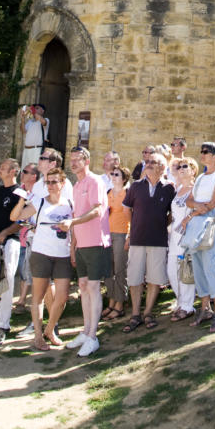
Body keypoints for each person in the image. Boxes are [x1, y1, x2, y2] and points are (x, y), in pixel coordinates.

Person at [10, 167, 73, 350]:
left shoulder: (69, 203)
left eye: (55, 182)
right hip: (41, 253)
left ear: (62, 183)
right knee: (37, 297)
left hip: (62, 254)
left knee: (61, 297)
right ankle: (38, 336)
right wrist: (22, 198)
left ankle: (50, 329)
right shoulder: (39, 202)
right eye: (48, 182)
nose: (51, 186)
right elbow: (15, 217)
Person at [57, 147, 111, 357]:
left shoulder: (95, 181)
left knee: (93, 286)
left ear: (87, 160)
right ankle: (86, 330)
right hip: (82, 244)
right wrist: (74, 244)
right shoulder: (77, 185)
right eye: (71, 160)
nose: (73, 163)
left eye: (77, 159)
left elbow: (98, 210)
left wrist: (73, 222)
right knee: (82, 285)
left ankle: (93, 336)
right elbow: (76, 215)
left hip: (96, 242)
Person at [122, 151, 176, 331]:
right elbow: (126, 209)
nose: (149, 164)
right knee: (135, 278)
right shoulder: (136, 186)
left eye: (154, 162)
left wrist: (160, 224)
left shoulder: (169, 188)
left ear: (163, 167)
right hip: (137, 239)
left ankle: (148, 313)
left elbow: (172, 214)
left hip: (158, 240)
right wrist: (134, 226)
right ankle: (135, 314)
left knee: (155, 278)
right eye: (148, 161)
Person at [181, 143, 215, 333]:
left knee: (211, 267)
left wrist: (192, 213)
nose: (202, 155)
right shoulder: (200, 177)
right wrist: (198, 207)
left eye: (205, 152)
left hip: (209, 226)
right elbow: (189, 200)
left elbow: (214, 203)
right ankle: (204, 308)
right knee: (198, 268)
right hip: (196, 227)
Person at [0, 158, 23, 335]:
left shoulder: (19, 193)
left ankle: (2, 323)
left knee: (7, 279)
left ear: (13, 171)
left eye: (3, 167)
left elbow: (21, 222)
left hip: (10, 241)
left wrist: (6, 233)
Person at [166, 156, 198, 321]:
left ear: (193, 170)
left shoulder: (196, 189)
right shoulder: (177, 189)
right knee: (172, 271)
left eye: (186, 166)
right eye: (180, 167)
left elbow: (200, 209)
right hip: (174, 236)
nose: (182, 169)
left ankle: (187, 306)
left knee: (185, 270)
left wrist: (190, 218)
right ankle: (180, 301)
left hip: (187, 235)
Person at [102, 165, 132, 320]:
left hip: (121, 233)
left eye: (117, 174)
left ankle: (119, 304)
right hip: (107, 234)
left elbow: (131, 216)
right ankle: (111, 301)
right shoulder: (107, 193)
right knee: (108, 270)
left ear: (124, 178)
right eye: (112, 174)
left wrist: (129, 236)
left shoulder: (127, 194)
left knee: (120, 269)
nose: (113, 176)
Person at [13, 163, 39, 313]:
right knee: (23, 268)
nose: (22, 173)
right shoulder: (20, 190)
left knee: (28, 268)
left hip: (30, 235)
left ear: (33, 176)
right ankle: (22, 300)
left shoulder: (37, 193)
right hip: (20, 234)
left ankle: (23, 301)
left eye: (26, 171)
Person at [20, 103, 49, 169]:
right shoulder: (30, 122)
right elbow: (23, 131)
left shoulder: (46, 120)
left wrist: (31, 110)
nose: (35, 110)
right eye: (34, 108)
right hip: (26, 150)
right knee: (24, 170)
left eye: (37, 108)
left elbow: (42, 121)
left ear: (42, 111)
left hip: (37, 150)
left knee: (35, 171)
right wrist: (22, 118)